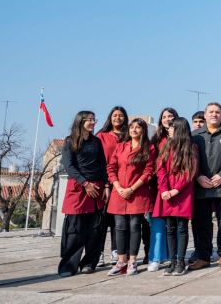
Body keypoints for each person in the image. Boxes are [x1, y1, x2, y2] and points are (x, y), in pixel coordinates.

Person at [190, 103, 221, 271]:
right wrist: (198, 176)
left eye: (217, 112)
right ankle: (203, 256)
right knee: (201, 223)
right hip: (201, 187)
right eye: (211, 112)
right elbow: (189, 160)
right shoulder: (194, 135)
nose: (214, 114)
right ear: (205, 115)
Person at [58, 111, 109, 276]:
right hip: (79, 188)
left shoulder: (96, 142)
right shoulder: (70, 141)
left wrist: (105, 186)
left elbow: (102, 165)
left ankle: (89, 263)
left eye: (94, 119)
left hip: (97, 189)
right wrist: (85, 183)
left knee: (95, 230)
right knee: (75, 230)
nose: (92, 122)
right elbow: (69, 166)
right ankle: (68, 266)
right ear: (80, 121)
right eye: (89, 119)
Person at [106, 117, 155, 276]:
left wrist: (132, 188)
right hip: (119, 193)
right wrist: (118, 186)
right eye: (131, 127)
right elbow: (111, 168)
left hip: (137, 193)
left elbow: (149, 171)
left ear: (143, 130)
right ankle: (121, 261)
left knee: (135, 226)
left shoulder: (149, 148)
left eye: (138, 127)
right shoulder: (120, 147)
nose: (134, 129)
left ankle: (133, 261)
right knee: (119, 226)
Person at [154, 116, 198, 276]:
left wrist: (175, 190)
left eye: (171, 127)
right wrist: (164, 189)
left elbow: (189, 172)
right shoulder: (166, 146)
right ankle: (172, 261)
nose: (169, 129)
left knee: (181, 228)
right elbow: (160, 169)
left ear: (179, 129)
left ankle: (180, 261)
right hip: (166, 193)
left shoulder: (190, 148)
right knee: (170, 228)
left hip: (182, 193)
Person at [96, 106, 129, 266]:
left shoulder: (128, 136)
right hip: (105, 183)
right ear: (110, 117)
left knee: (119, 220)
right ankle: (98, 252)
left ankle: (117, 251)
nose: (118, 118)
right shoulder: (101, 136)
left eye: (121, 115)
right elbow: (98, 160)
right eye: (115, 115)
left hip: (123, 184)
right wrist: (105, 184)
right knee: (102, 219)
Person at [145, 107, 177, 272]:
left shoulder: (182, 138)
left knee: (177, 225)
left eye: (170, 116)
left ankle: (176, 256)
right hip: (159, 187)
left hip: (178, 187)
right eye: (164, 116)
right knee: (157, 224)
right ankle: (155, 257)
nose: (167, 119)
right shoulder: (156, 139)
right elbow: (154, 164)